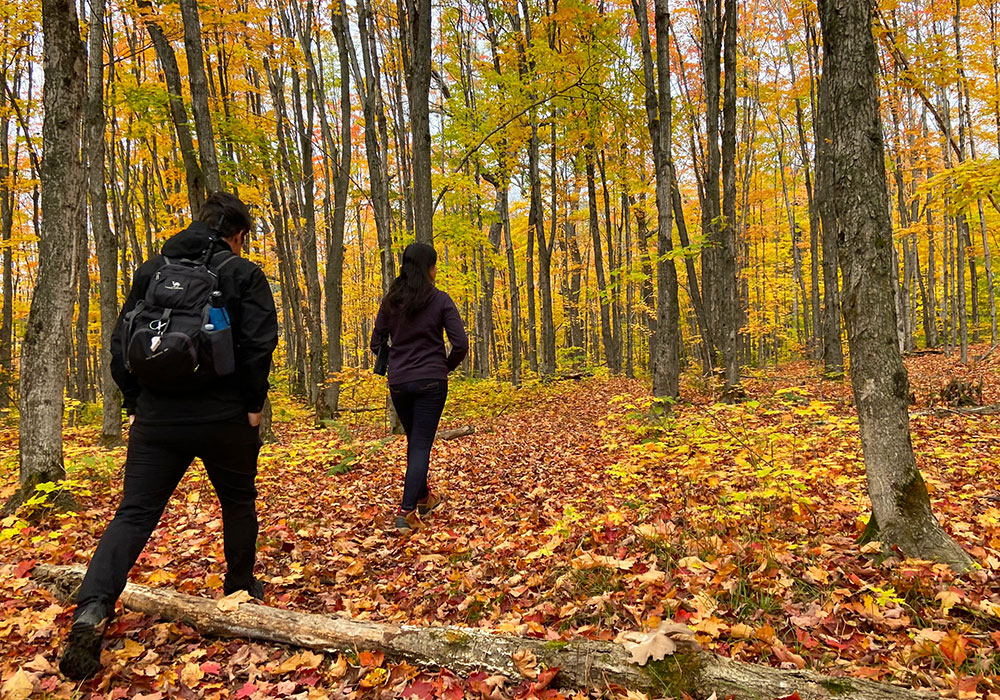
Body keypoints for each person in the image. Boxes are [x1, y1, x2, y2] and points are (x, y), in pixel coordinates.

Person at [59, 192, 279, 680]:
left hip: (157, 419)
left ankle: (92, 607)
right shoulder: (243, 273)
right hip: (223, 416)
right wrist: (250, 407)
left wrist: (136, 401)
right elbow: (260, 345)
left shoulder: (152, 270)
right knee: (238, 500)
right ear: (237, 234)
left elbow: (122, 342)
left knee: (133, 514)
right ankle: (240, 588)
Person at [371, 242, 468, 534]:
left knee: (416, 441)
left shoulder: (391, 301)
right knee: (421, 443)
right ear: (427, 268)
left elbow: (376, 343)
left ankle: (424, 497)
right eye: (434, 265)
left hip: (399, 382)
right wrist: (445, 366)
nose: (436, 270)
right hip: (430, 382)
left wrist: (395, 361)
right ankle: (406, 511)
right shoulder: (440, 300)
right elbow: (460, 344)